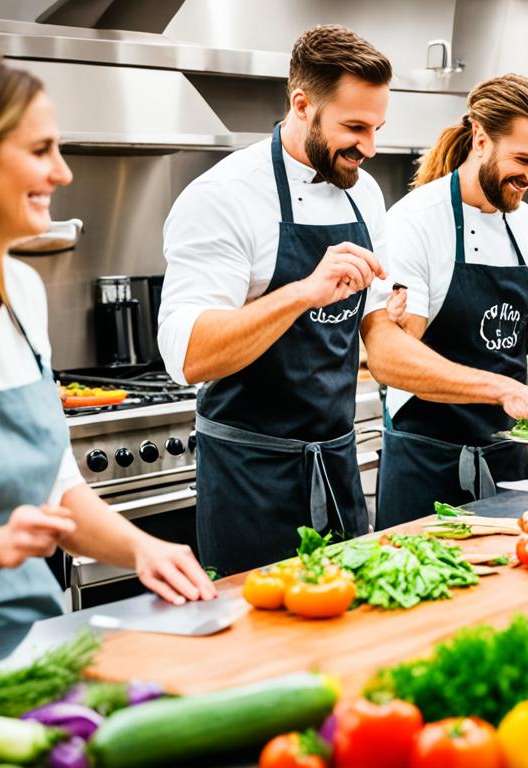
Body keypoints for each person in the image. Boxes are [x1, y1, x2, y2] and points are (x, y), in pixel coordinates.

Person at [0, 52, 215, 645]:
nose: (63, 174)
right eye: (40, 151)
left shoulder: (20, 292)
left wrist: (144, 549)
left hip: (36, 641)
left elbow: (59, 488)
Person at [158, 25, 391, 574]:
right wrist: (303, 293)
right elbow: (188, 356)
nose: (370, 148)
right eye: (354, 127)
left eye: (378, 128)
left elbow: (374, 328)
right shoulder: (225, 197)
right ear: (302, 104)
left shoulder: (365, 192)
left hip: (337, 466)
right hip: (251, 480)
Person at [363, 74, 528, 529]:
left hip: (507, 461)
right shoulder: (415, 221)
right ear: (481, 140)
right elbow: (393, 356)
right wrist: (505, 389)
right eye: (523, 160)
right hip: (429, 464)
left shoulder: (526, 223)